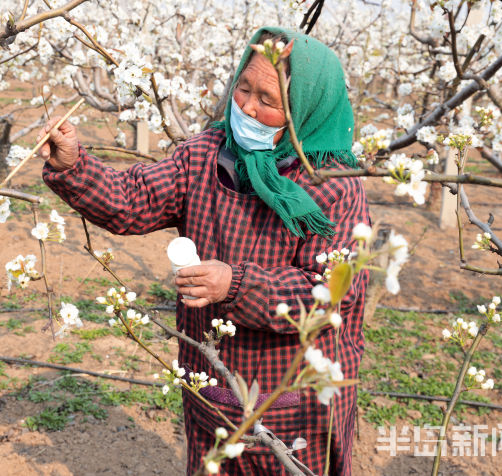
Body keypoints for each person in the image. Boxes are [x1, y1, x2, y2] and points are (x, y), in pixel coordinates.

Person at [37, 26, 369, 475]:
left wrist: (236, 285)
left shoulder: (332, 185)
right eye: (243, 89)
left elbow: (330, 292)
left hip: (295, 392)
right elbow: (133, 198)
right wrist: (73, 166)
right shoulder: (204, 155)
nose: (247, 107)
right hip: (212, 380)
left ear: (306, 111)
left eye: (268, 102)